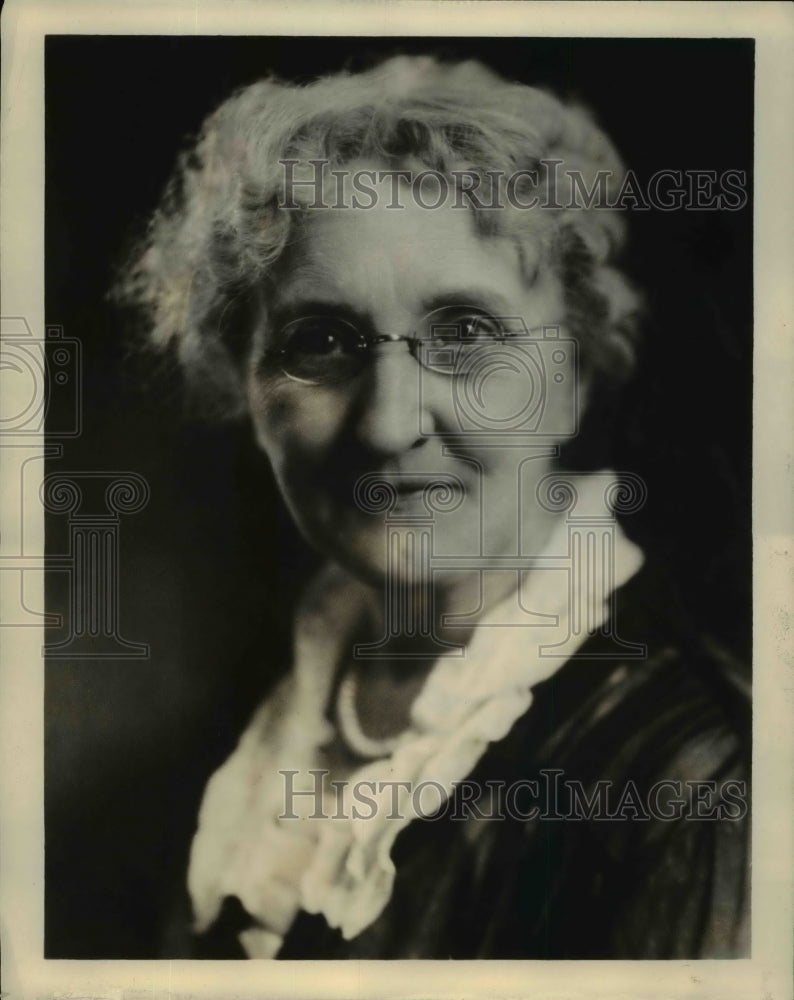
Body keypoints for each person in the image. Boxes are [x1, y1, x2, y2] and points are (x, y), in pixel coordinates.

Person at [116, 55, 750, 959]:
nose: (388, 421)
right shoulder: (225, 763)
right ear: (244, 386)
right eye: (321, 340)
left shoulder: (701, 779)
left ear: (573, 376)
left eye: (465, 333)